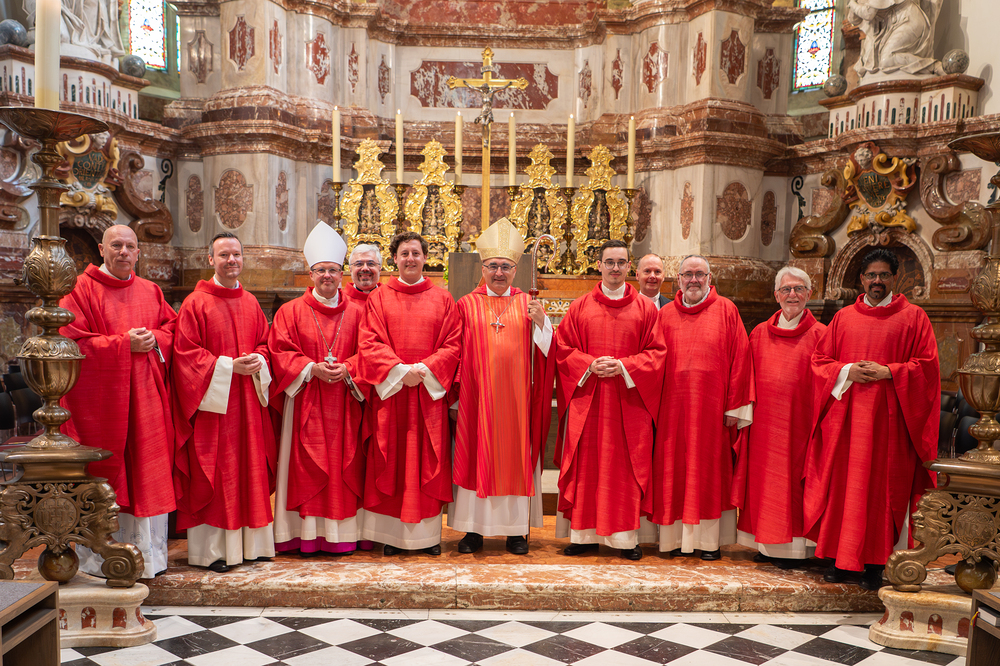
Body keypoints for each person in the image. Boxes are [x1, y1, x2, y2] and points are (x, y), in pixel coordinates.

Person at [804, 248, 939, 590]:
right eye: (871, 275)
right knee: (843, 489)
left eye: (884, 275)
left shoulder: (914, 318)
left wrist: (889, 371)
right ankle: (837, 559)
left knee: (882, 491)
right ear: (861, 279)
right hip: (847, 423)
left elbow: (927, 367)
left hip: (889, 423)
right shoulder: (844, 318)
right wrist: (847, 371)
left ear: (895, 278)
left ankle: (876, 564)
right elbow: (820, 362)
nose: (877, 281)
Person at [60, 224, 176, 579]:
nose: (123, 252)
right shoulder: (80, 289)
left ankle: (149, 558)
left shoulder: (151, 290)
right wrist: (123, 345)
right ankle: (99, 559)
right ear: (101, 249)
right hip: (103, 405)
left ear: (138, 252)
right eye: (116, 246)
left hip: (146, 401)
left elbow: (172, 331)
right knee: (109, 474)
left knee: (146, 471)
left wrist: (154, 339)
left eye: (130, 246)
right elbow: (69, 343)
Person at [554, 239, 666, 561]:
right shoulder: (580, 307)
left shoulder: (646, 309)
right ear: (599, 265)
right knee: (587, 466)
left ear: (629, 267)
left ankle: (625, 540)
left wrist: (624, 366)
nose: (615, 268)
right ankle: (583, 536)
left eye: (621, 263)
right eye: (609, 262)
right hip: (589, 402)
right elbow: (563, 349)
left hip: (628, 403)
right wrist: (589, 364)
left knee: (624, 468)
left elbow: (657, 353)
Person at [449, 218, 555, 555]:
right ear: (482, 268)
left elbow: (549, 351)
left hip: (516, 403)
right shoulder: (466, 305)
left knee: (514, 459)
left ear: (515, 270)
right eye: (493, 266)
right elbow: (455, 351)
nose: (499, 272)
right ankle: (473, 531)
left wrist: (543, 324)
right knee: (475, 457)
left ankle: (515, 532)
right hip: (477, 399)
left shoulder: (529, 305)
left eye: (505, 267)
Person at [172, 232, 276, 573]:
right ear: (210, 260)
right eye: (224, 255)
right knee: (217, 472)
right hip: (213, 410)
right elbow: (186, 356)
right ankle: (214, 552)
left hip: (248, 405)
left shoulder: (250, 302)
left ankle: (253, 546)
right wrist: (229, 366)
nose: (231, 260)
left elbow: (265, 344)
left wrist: (259, 359)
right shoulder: (195, 303)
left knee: (249, 469)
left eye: (236, 255)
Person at [268, 223, 370, 557]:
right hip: (305, 401)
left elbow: (370, 353)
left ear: (342, 275)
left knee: (344, 465)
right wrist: (310, 368)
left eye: (333, 270)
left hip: (345, 402)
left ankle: (342, 535)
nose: (327, 276)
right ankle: (302, 535)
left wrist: (349, 368)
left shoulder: (359, 313)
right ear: (310, 274)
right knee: (305, 465)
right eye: (321, 270)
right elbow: (279, 351)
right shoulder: (290, 312)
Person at [358, 232, 461, 555]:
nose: (411, 259)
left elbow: (454, 344)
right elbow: (368, 342)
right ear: (395, 259)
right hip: (392, 395)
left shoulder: (443, 299)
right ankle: (392, 538)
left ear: (425, 258)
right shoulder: (379, 298)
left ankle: (427, 539)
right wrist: (401, 372)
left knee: (427, 461)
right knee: (392, 461)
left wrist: (424, 370)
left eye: (416, 253)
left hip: (427, 396)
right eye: (404, 254)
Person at [647, 255, 753, 560]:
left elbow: (741, 358)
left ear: (709, 278)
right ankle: (672, 541)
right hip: (672, 410)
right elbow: (652, 359)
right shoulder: (665, 314)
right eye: (688, 274)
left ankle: (709, 543)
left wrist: (734, 406)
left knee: (708, 471)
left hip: (712, 410)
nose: (694, 280)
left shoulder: (727, 310)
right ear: (678, 280)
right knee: (674, 470)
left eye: (699, 274)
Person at [734, 266, 826, 569]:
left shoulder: (822, 335)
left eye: (799, 289)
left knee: (797, 483)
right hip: (763, 423)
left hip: (802, 423)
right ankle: (766, 543)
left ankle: (798, 549)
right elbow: (746, 375)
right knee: (765, 482)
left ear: (809, 294)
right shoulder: (759, 333)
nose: (792, 295)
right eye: (786, 289)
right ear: (776, 295)